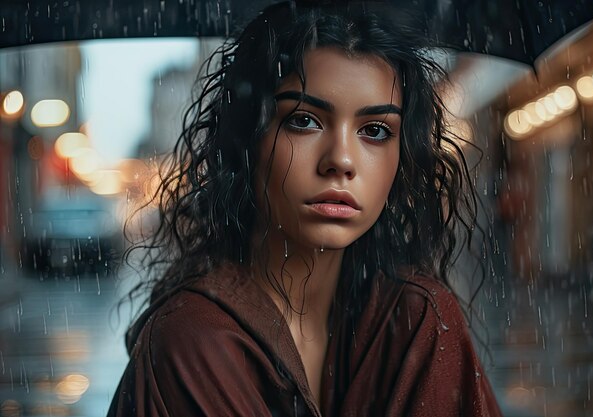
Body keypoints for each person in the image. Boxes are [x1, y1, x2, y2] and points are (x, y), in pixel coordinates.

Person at [107, 1, 502, 416]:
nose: (342, 160)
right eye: (304, 120)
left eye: (375, 130)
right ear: (248, 141)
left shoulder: (421, 322)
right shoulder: (191, 342)